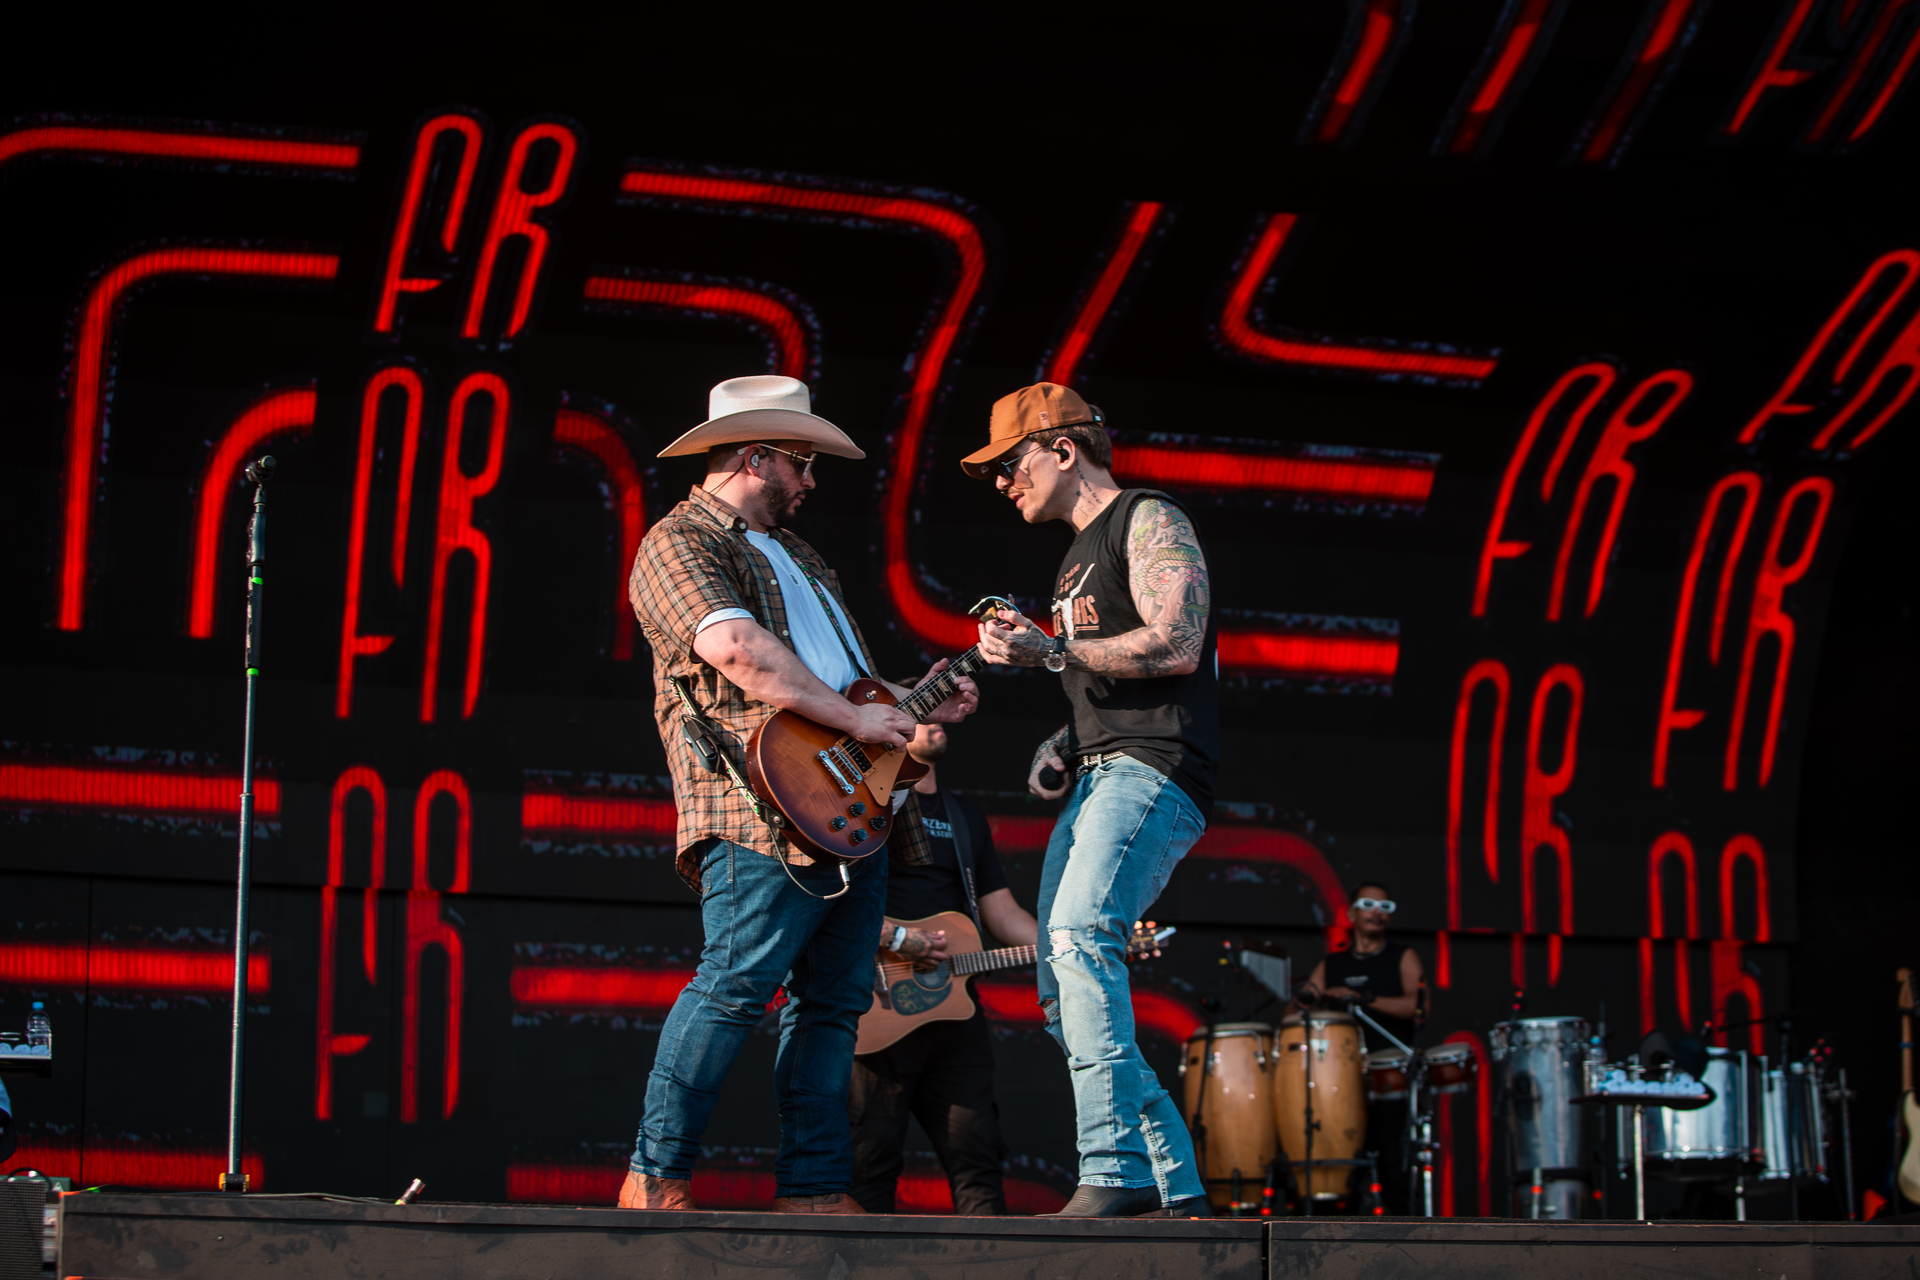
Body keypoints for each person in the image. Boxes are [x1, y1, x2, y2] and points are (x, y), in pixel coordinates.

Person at [622, 375, 977, 1215]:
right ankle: (655, 1176)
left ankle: (814, 1189)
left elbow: (843, 687)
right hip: (759, 809)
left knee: (833, 1005)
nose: (812, 482)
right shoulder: (679, 542)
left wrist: (916, 698)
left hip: (850, 812)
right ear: (757, 457)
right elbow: (738, 651)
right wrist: (857, 715)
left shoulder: (805, 559)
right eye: (803, 462)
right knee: (735, 986)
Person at [961, 382, 1218, 1218]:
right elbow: (1104, 674)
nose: (1003, 483)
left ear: (1064, 449)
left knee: (1076, 939)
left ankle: (1114, 1169)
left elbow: (1178, 641)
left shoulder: (1148, 517)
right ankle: (1175, 1188)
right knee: (1058, 986)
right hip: (1104, 768)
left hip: (1153, 769)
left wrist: (1047, 653)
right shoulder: (1072, 560)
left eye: (1010, 464)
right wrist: (1064, 742)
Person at [849, 720, 1040, 1214]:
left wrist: (1069, 944)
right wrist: (897, 939)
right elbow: (833, 897)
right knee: (869, 1165)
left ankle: (988, 1257)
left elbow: (1002, 912)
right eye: (923, 703)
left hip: (955, 1015)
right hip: (877, 1005)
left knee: (979, 1161)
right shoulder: (863, 803)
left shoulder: (964, 815)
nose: (936, 717)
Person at [1293, 881, 1427, 1214]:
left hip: (1389, 1076)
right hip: (1340, 1078)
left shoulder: (1403, 956)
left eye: (1385, 907)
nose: (1377, 913)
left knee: (1393, 1160)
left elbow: (1419, 1006)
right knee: (1342, 1158)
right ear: (1351, 914)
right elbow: (1300, 1006)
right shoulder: (1333, 963)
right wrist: (1310, 997)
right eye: (1368, 905)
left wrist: (1363, 999)